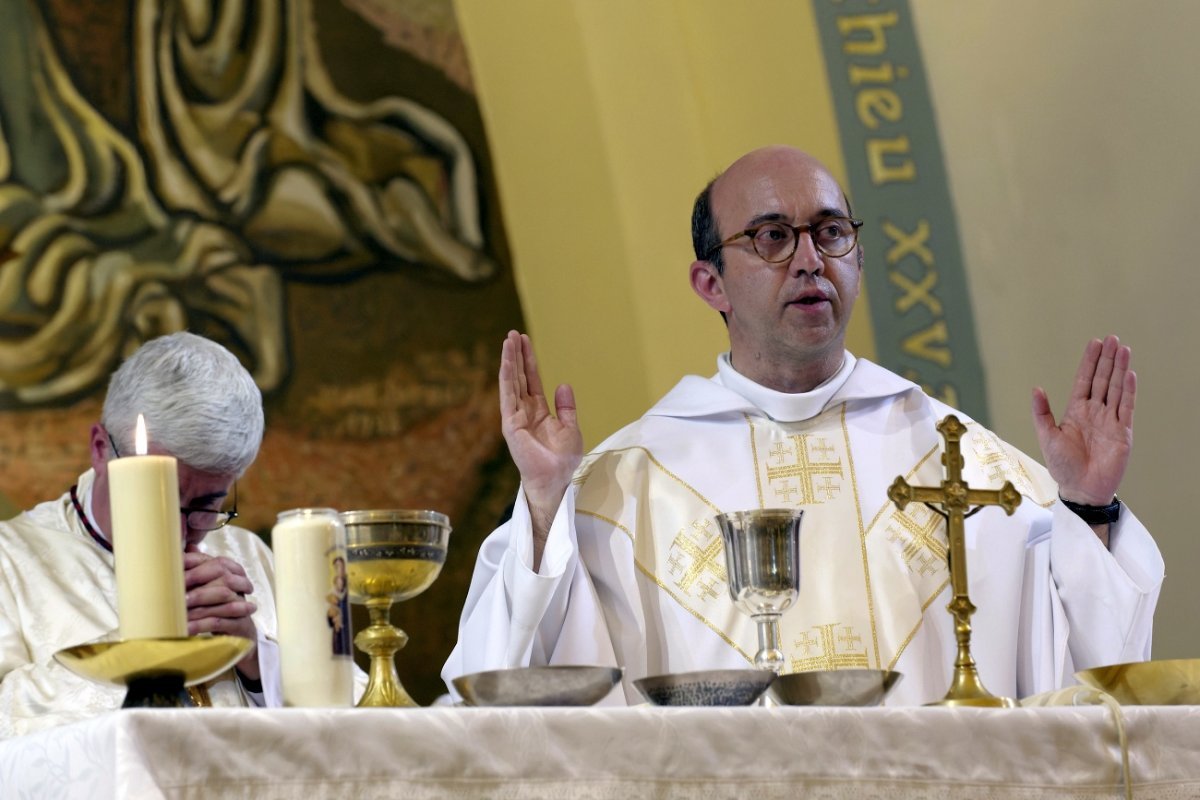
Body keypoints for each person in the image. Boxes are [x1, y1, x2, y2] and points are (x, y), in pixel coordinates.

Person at [442, 145, 1164, 706]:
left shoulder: (962, 463)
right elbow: (507, 691)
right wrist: (542, 504)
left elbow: (1091, 686)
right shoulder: (628, 483)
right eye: (772, 237)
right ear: (710, 283)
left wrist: (1087, 508)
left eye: (830, 232)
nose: (811, 260)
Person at [0, 332, 281, 737]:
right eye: (159, 497)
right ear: (100, 449)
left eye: (207, 504)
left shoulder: (248, 554)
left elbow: (350, 718)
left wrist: (256, 658)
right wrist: (140, 643)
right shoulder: (11, 561)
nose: (182, 531)